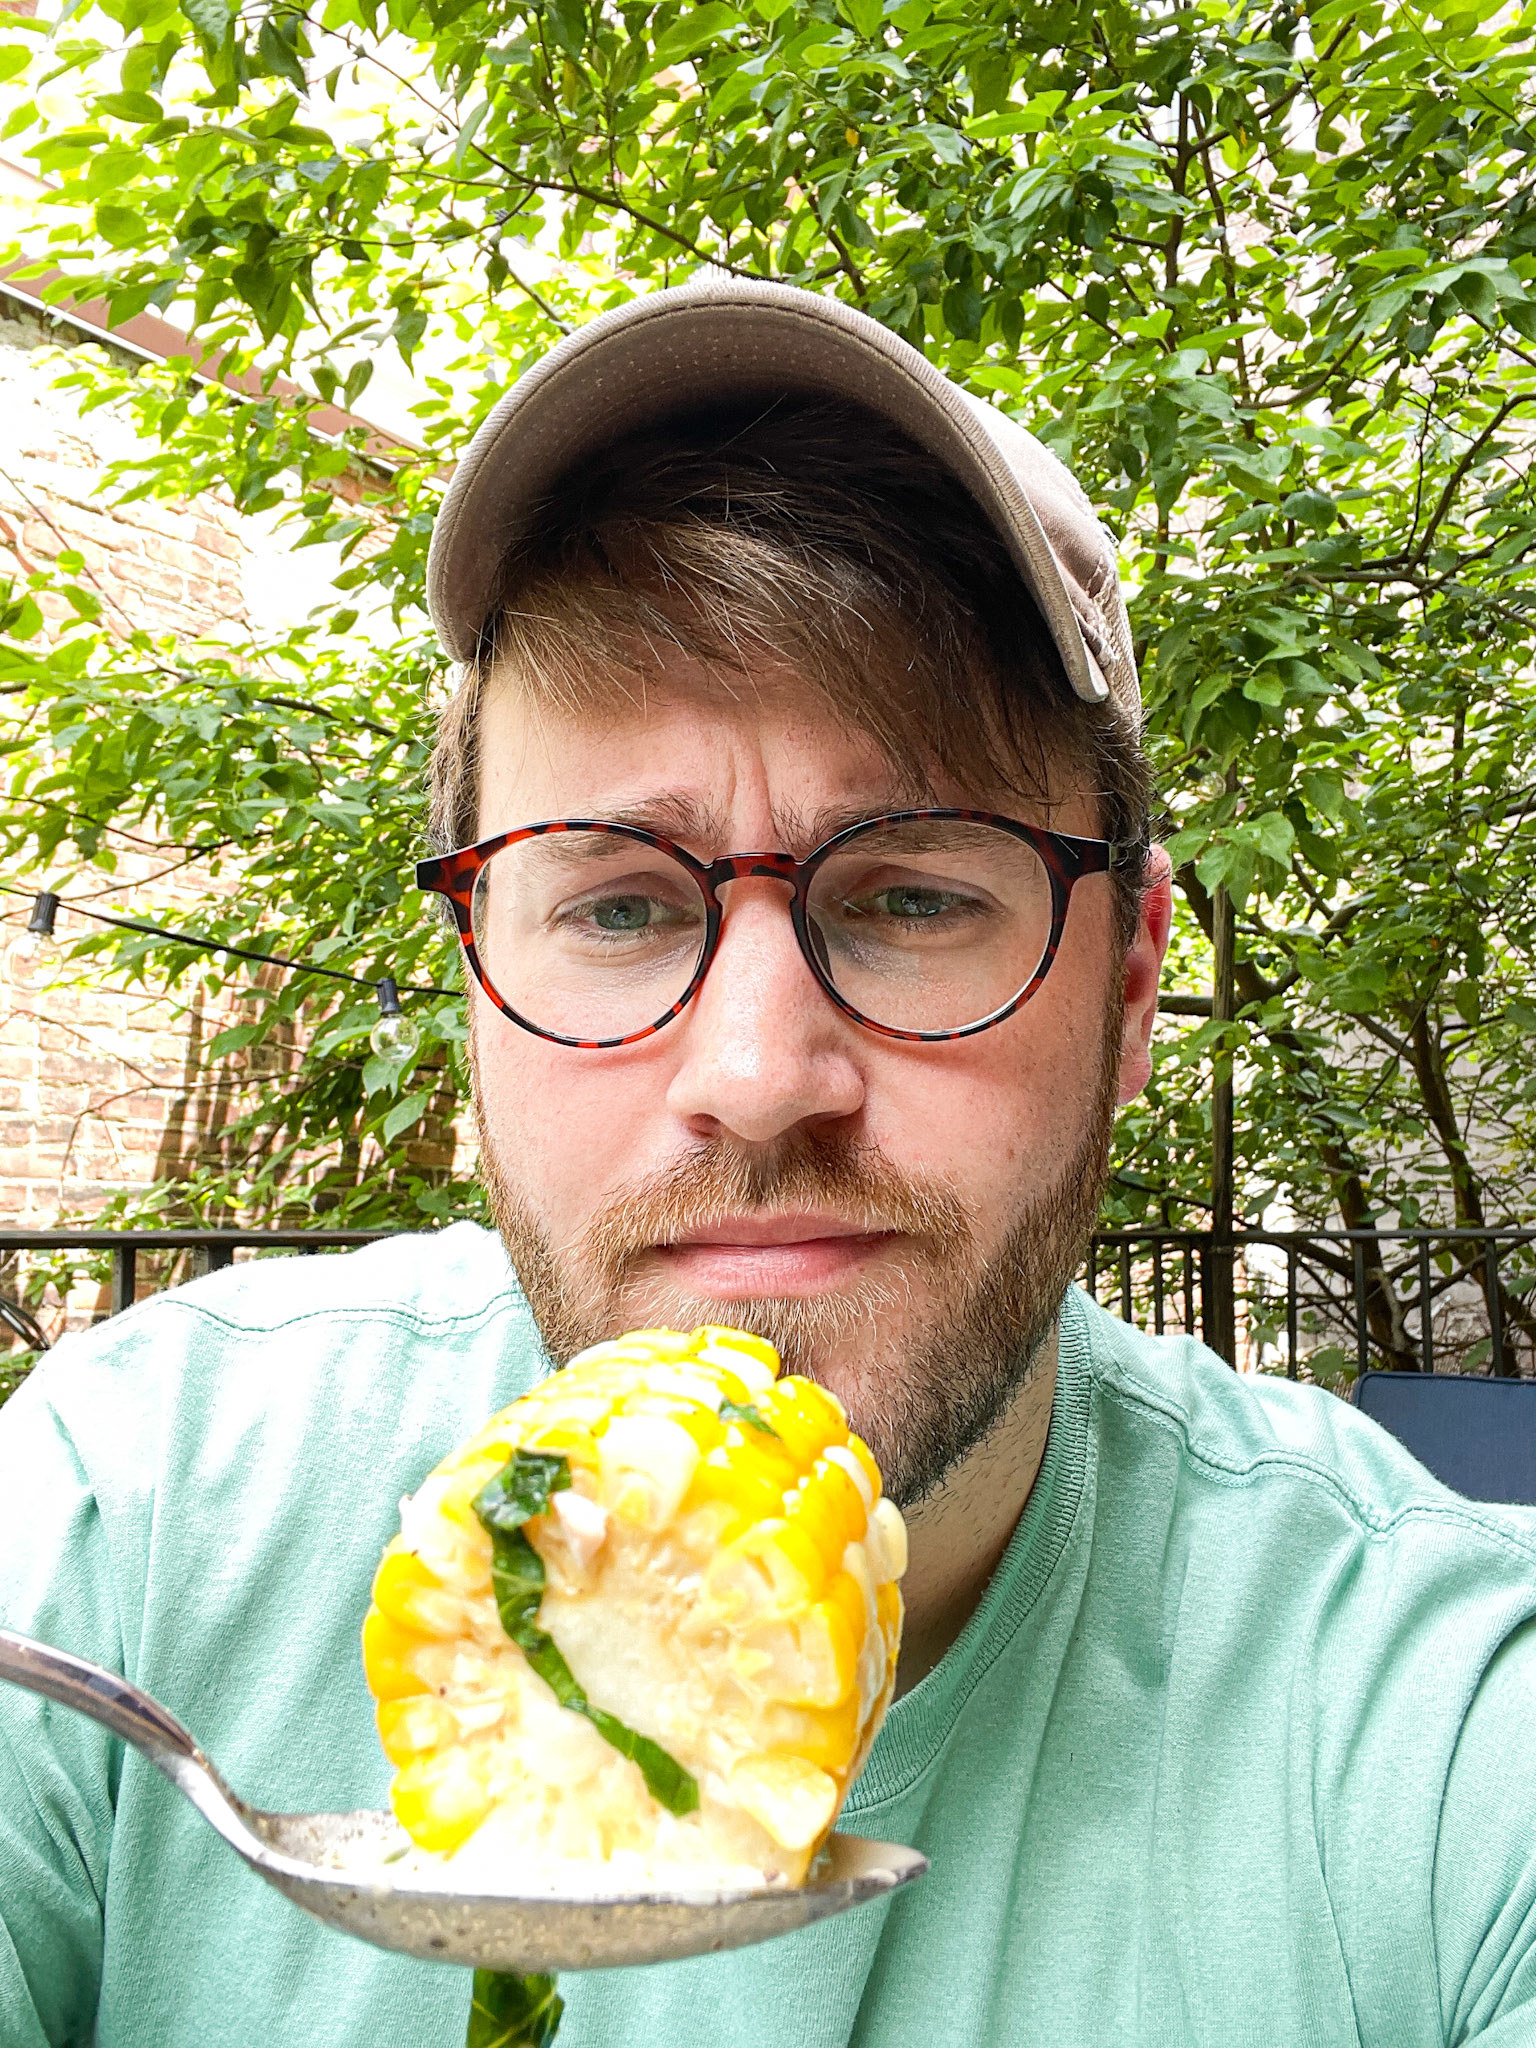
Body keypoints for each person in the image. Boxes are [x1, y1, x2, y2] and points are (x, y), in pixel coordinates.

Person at [2, 277, 1534, 2048]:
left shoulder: (1439, 1733)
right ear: (474, 982)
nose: (752, 1075)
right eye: (620, 902)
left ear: (1127, 993)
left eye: (910, 897)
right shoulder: (110, 1532)